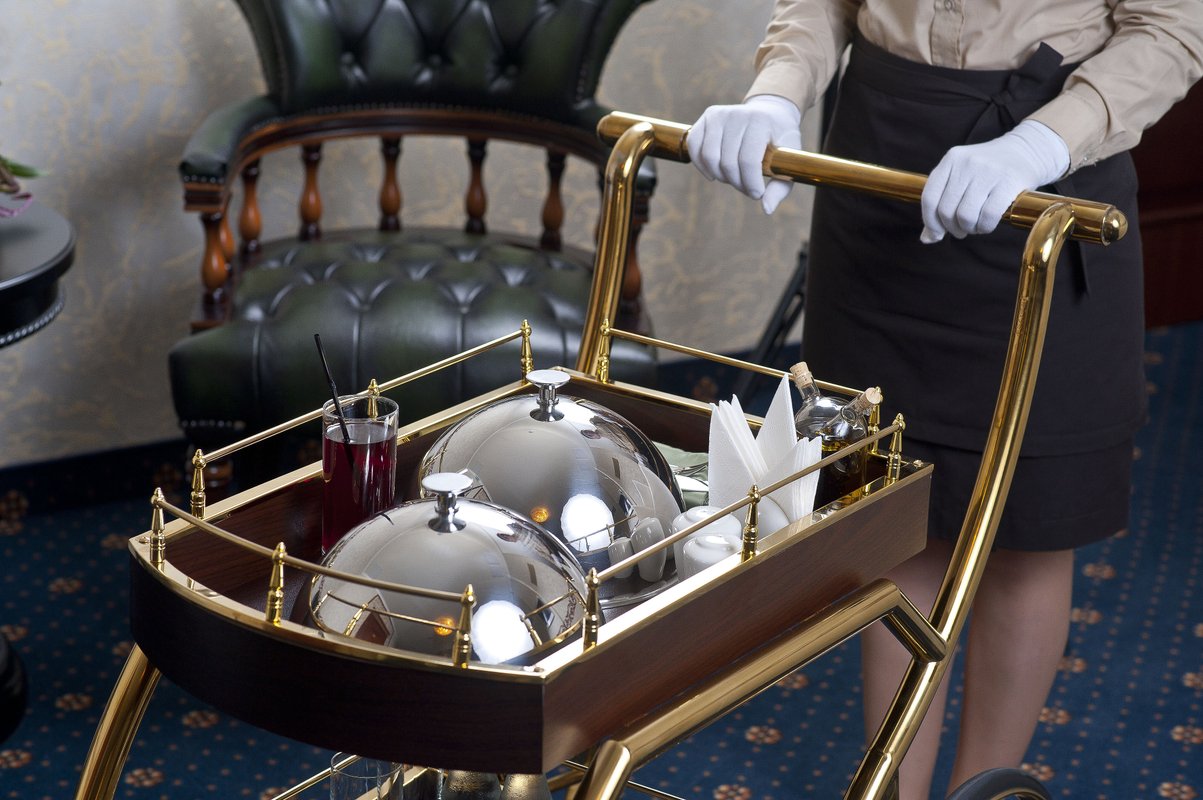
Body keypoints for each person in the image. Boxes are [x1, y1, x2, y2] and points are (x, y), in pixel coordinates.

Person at [687, 2, 1203, 798]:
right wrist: (777, 93)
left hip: (1045, 178)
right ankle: (890, 786)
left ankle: (982, 791)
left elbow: (1173, 27)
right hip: (878, 171)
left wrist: (1040, 143)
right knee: (892, 520)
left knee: (1028, 530)